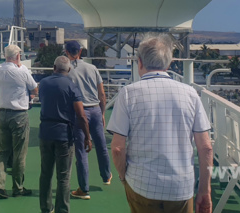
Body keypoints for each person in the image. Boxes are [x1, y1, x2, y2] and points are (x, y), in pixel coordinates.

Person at [107, 35, 214, 213]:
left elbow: (118, 148)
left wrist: (124, 177)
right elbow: (206, 148)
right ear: (169, 63)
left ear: (140, 62)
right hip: (180, 188)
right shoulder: (190, 94)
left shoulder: (128, 94)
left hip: (141, 185)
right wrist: (205, 190)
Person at [38, 56, 91, 213]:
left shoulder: (43, 83)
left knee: (45, 173)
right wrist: (87, 137)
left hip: (45, 132)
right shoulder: (72, 86)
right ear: (68, 69)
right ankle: (62, 209)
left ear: (54, 67)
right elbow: (81, 115)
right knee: (63, 177)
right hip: (64, 135)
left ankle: (46, 207)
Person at [64, 40, 112, 200]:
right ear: (80, 52)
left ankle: (84, 189)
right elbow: (102, 93)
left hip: (79, 113)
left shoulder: (68, 71)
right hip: (95, 109)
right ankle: (106, 176)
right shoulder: (92, 68)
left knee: (81, 151)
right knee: (101, 144)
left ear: (67, 52)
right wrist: (102, 113)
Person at [0, 45, 38, 199]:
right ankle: (18, 187)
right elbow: (35, 89)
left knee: (3, 151)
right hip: (18, 115)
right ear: (17, 56)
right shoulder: (22, 71)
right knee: (19, 153)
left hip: (2, 114)